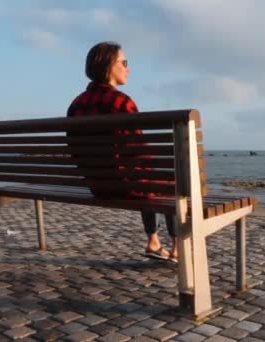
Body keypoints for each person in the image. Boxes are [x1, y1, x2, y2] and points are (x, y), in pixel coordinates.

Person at [67, 41, 178, 263]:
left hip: (98, 187)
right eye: (124, 62)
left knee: (144, 178)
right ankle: (178, 248)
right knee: (162, 182)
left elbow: (75, 150)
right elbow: (137, 151)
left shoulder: (76, 105)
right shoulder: (121, 102)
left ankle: (154, 241)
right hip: (123, 188)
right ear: (108, 65)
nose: (129, 68)